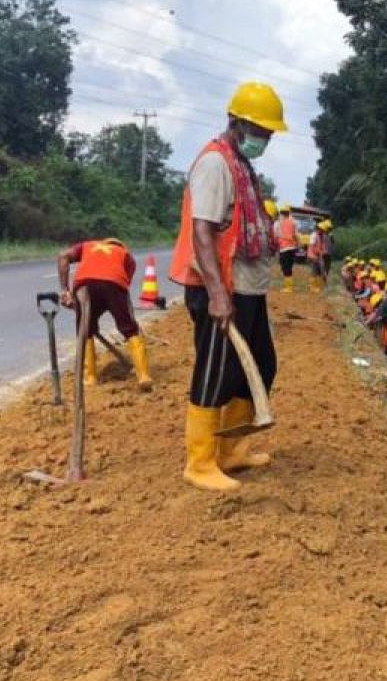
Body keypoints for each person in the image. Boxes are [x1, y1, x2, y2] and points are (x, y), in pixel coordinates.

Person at [168, 81, 286, 492]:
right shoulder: (216, 164)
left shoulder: (241, 164)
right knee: (216, 372)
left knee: (260, 366)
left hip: (247, 287)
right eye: (262, 131)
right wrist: (218, 294)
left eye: (269, 134)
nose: (266, 139)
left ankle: (231, 451)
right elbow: (202, 232)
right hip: (221, 288)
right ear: (237, 122)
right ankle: (199, 462)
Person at [57, 237, 152, 389]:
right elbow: (123, 286)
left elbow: (63, 256)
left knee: (85, 330)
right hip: (114, 285)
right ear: (122, 246)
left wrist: (65, 291)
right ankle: (143, 374)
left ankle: (90, 377)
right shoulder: (127, 256)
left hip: (84, 286)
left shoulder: (87, 246)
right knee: (129, 328)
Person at [276, 203, 300, 293]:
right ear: (289, 213)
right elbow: (296, 235)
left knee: (285, 267)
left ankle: (288, 287)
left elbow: (277, 235)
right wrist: (298, 244)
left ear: (282, 213)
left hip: (284, 248)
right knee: (289, 266)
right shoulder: (294, 222)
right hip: (292, 247)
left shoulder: (279, 223)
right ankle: (289, 286)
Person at [307, 220, 331, 291]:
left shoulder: (322, 236)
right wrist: (319, 252)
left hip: (318, 256)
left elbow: (322, 246)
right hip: (312, 256)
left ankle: (319, 285)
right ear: (319, 229)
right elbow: (312, 247)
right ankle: (312, 287)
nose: (323, 232)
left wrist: (325, 251)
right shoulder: (313, 235)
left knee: (319, 271)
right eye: (322, 230)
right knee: (314, 271)